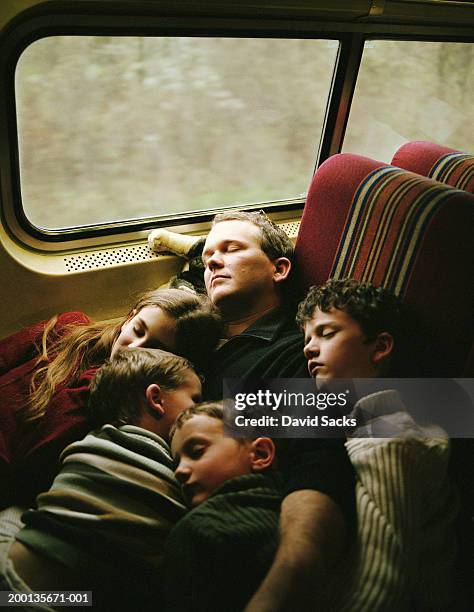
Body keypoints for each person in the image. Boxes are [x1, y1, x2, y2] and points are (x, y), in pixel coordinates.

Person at [150, 213, 356, 612]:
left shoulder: (296, 354)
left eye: (231, 249)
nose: (212, 261)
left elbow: (318, 462)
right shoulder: (190, 334)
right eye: (209, 254)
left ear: (279, 269)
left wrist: (280, 589)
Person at [296, 278, 458, 610]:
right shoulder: (356, 423)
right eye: (307, 338)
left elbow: (382, 585)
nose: (308, 348)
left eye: (326, 333)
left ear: (380, 347)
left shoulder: (390, 436)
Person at [2, 347, 202, 611]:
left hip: (19, 582)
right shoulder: (174, 465)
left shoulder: (89, 442)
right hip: (35, 595)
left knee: (13, 513)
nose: (200, 411)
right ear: (156, 398)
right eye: (195, 400)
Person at [0, 288, 222, 509]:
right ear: (130, 317)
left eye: (155, 348)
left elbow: (31, 466)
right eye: (138, 329)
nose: (133, 347)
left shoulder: (114, 403)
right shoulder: (68, 327)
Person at [165, 402, 281, 612]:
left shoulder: (196, 531)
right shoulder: (293, 517)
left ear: (260, 454)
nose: (179, 472)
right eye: (176, 463)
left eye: (197, 451)